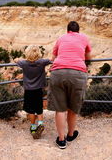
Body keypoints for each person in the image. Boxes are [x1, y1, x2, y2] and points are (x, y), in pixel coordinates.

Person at [48, 21, 92, 149]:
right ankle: (71, 134)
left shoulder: (61, 38)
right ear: (78, 31)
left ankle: (61, 140)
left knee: (60, 109)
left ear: (67, 31)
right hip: (78, 74)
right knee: (73, 108)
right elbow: (88, 56)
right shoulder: (84, 38)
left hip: (58, 73)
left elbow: (53, 57)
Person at [16, 45, 51, 139]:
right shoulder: (42, 62)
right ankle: (40, 124)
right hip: (39, 90)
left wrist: (18, 58)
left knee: (31, 110)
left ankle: (33, 126)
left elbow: (16, 60)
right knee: (39, 108)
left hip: (28, 90)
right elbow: (51, 59)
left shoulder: (24, 63)